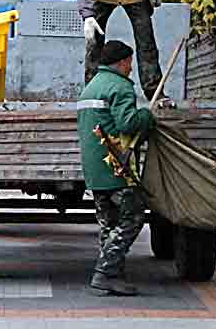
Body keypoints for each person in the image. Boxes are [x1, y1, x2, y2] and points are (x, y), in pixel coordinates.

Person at [77, 40, 156, 296]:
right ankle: (104, 272)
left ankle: (114, 276)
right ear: (121, 62)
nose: (131, 68)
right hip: (116, 167)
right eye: (130, 63)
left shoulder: (90, 88)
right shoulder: (120, 87)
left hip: (94, 168)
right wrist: (147, 117)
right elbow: (128, 124)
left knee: (109, 224)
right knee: (133, 218)